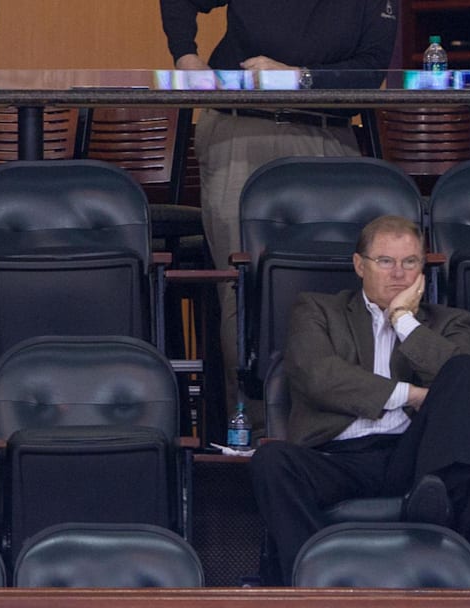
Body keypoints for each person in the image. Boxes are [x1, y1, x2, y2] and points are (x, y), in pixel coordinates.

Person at [160, 0, 398, 430]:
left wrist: (299, 77)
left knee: (339, 290)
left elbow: (370, 68)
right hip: (243, 127)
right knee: (243, 287)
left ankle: (336, 430)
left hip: (328, 130)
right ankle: (251, 433)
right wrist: (186, 57)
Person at [250, 215, 470, 585]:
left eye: (410, 262)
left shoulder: (451, 322)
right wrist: (410, 394)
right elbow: (319, 376)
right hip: (336, 457)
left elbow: (458, 382)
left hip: (413, 458)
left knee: (467, 369)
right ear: (359, 265)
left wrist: (403, 320)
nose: (399, 274)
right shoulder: (317, 310)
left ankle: (435, 503)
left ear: (423, 269)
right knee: (270, 461)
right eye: (386, 261)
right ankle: (319, 574)